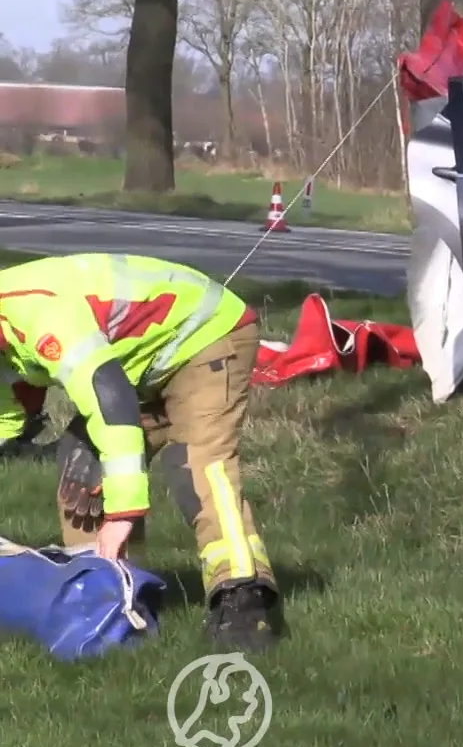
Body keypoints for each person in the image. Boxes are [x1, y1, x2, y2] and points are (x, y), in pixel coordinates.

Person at [0, 253, 281, 649]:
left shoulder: (38, 317)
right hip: (140, 362)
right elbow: (6, 419)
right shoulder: (5, 339)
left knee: (197, 465)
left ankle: (243, 596)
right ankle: (109, 596)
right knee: (79, 462)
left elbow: (111, 404)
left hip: (205, 335)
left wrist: (121, 514)